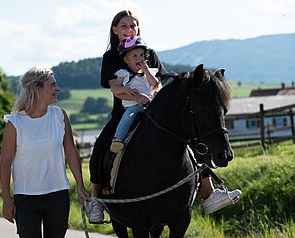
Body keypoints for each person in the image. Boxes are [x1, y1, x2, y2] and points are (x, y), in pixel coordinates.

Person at [88, 10, 241, 224]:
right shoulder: (111, 57)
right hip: (125, 111)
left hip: (154, 110)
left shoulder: (148, 53)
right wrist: (136, 95)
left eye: (133, 25)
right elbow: (114, 86)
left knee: (190, 141)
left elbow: (163, 80)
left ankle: (209, 193)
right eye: (124, 26)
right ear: (114, 30)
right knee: (101, 147)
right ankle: (96, 201)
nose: (129, 29)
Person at [0, 67, 89, 238]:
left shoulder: (59, 116)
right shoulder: (15, 123)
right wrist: (7, 199)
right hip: (26, 198)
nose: (58, 89)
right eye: (52, 85)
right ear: (36, 88)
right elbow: (5, 163)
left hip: (58, 195)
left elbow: (70, 150)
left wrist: (80, 184)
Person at [110, 36, 161, 153]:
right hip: (133, 105)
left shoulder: (149, 73)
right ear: (126, 60)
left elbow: (156, 85)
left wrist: (147, 71)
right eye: (135, 56)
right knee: (128, 116)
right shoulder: (124, 74)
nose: (140, 58)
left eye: (142, 55)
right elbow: (114, 89)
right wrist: (125, 89)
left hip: (151, 105)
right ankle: (118, 139)